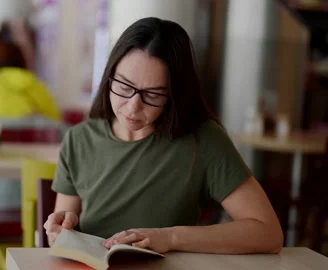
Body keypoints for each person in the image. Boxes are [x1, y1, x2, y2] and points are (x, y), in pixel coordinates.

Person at [44, 17, 283, 254]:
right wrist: (62, 230)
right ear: (109, 76)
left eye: (152, 95)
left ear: (174, 96)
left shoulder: (204, 141)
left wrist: (170, 237)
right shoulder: (79, 140)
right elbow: (65, 232)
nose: (133, 106)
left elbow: (268, 232)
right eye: (124, 87)